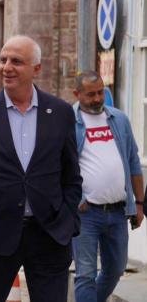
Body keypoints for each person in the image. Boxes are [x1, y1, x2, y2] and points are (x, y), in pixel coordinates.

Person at [0, 35, 82, 302]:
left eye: (17, 61)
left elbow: (71, 176)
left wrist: (67, 220)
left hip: (49, 234)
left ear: (37, 68)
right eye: (3, 60)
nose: (7, 67)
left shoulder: (60, 112)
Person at [71, 71, 143, 302]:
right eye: (91, 94)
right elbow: (59, 166)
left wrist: (139, 203)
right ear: (77, 94)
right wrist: (75, 199)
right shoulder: (68, 122)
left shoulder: (119, 119)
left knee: (116, 268)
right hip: (86, 213)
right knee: (85, 274)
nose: (97, 98)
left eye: (100, 92)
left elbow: (133, 161)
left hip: (118, 211)